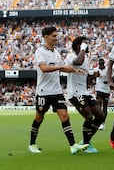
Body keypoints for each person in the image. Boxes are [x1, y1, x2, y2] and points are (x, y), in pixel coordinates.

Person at [28, 26, 89, 154]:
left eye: (57, 36)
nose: (56, 38)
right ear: (46, 37)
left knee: (65, 116)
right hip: (44, 92)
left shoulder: (56, 52)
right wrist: (61, 66)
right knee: (39, 118)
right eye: (54, 36)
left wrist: (74, 70)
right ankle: (32, 144)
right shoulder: (40, 51)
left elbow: (63, 68)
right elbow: (44, 68)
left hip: (57, 91)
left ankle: (73, 145)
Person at [65, 36, 105, 153]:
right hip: (75, 93)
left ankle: (86, 140)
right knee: (88, 116)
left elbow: (84, 76)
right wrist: (82, 49)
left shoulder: (86, 59)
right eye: (84, 44)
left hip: (84, 92)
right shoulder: (71, 56)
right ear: (78, 45)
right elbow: (78, 62)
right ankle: (87, 144)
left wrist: (93, 77)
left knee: (100, 115)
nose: (87, 46)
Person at [93, 58, 111, 130]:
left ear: (104, 64)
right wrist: (95, 76)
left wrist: (108, 81)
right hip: (99, 89)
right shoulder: (96, 69)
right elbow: (94, 78)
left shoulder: (107, 69)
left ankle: (103, 123)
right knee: (98, 105)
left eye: (102, 64)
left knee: (105, 107)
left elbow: (111, 78)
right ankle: (98, 122)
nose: (100, 65)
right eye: (99, 64)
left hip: (106, 90)